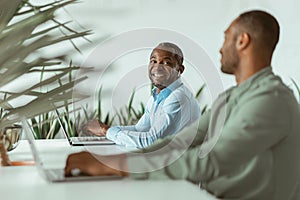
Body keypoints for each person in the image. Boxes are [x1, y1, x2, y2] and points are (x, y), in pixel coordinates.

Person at [65, 10, 300, 200]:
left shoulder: (270, 100)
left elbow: (211, 160)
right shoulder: (233, 97)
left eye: (226, 37)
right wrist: (112, 162)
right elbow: (179, 141)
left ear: (242, 41)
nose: (220, 48)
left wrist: (120, 165)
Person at [84, 42, 201, 148]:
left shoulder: (178, 97)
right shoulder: (157, 95)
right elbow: (140, 129)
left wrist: (106, 130)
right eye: (153, 61)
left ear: (180, 69)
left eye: (166, 63)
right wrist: (105, 130)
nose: (157, 67)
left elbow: (151, 141)